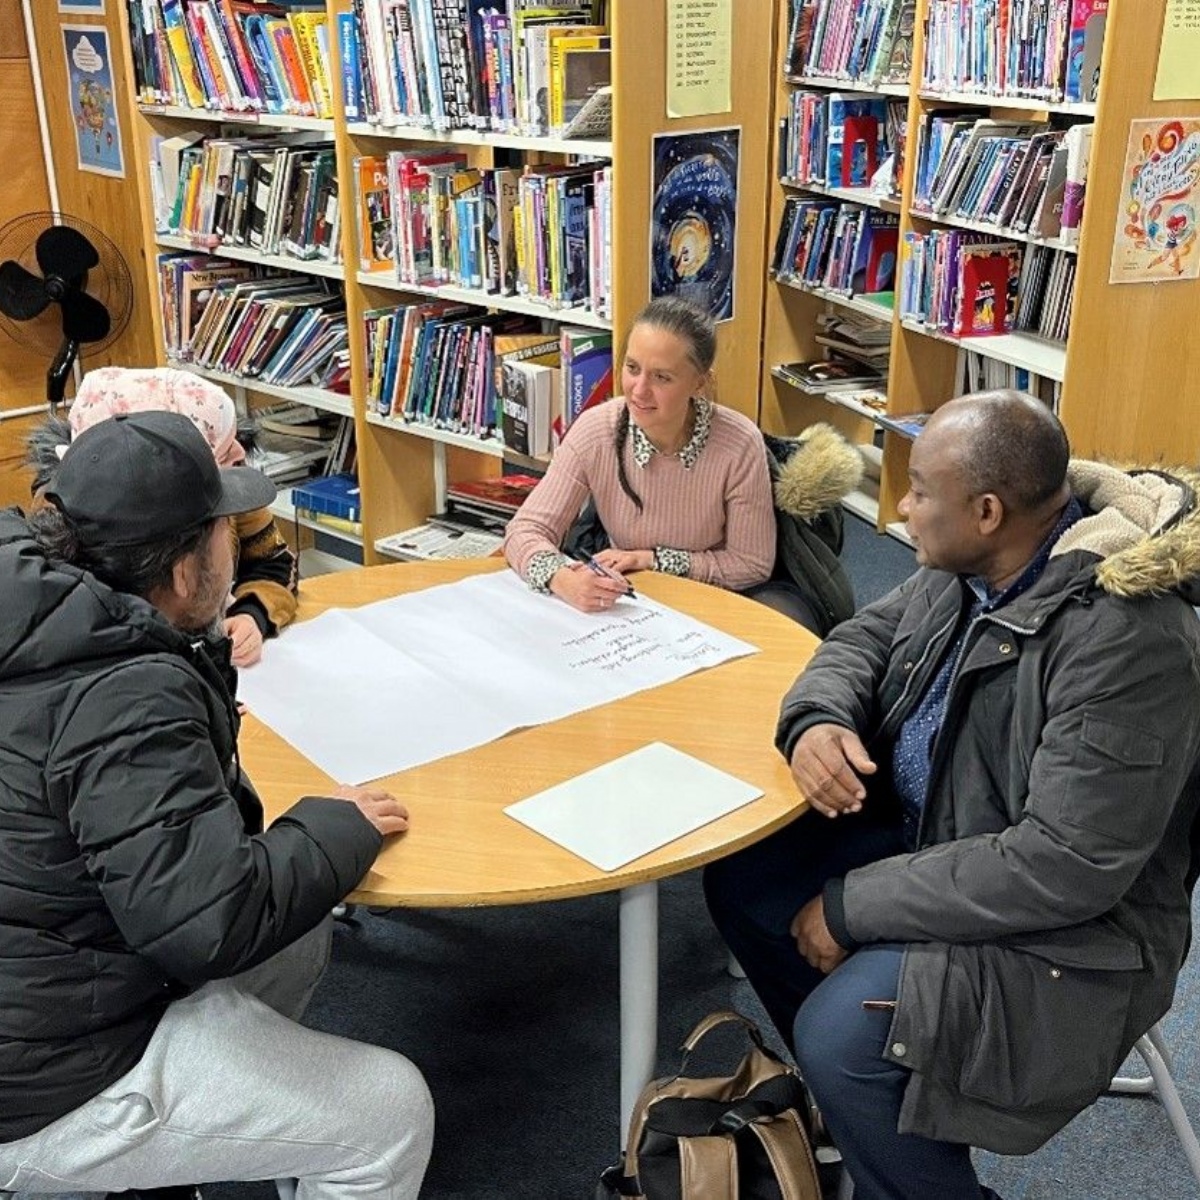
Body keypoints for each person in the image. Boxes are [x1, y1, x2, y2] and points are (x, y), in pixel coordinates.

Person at [704, 390, 1200, 1199]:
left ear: (988, 510)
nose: (901, 506)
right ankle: (884, 1138)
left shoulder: (1128, 639)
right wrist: (819, 719)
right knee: (746, 882)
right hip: (944, 833)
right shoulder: (977, 564)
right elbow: (863, 637)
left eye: (920, 491)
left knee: (840, 1038)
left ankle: (909, 1160)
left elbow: (1064, 865)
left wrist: (851, 906)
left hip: (1075, 930)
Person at [0, 411, 433, 1199]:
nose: (239, 546)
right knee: (391, 1112)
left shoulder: (43, 621)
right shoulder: (124, 690)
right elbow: (206, 920)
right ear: (180, 572)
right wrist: (333, 827)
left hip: (48, 970)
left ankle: (200, 1146)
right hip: (39, 1080)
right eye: (223, 530)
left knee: (295, 938)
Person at [503, 297, 857, 631]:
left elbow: (751, 564)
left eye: (662, 377)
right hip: (632, 591)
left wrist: (654, 558)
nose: (638, 390)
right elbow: (525, 530)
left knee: (774, 641)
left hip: (721, 590)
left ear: (699, 382)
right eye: (632, 368)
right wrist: (561, 578)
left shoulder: (739, 443)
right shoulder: (596, 430)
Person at [28, 365, 299, 667]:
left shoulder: (231, 490)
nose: (240, 453)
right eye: (222, 446)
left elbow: (275, 563)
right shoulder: (70, 534)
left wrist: (253, 614)